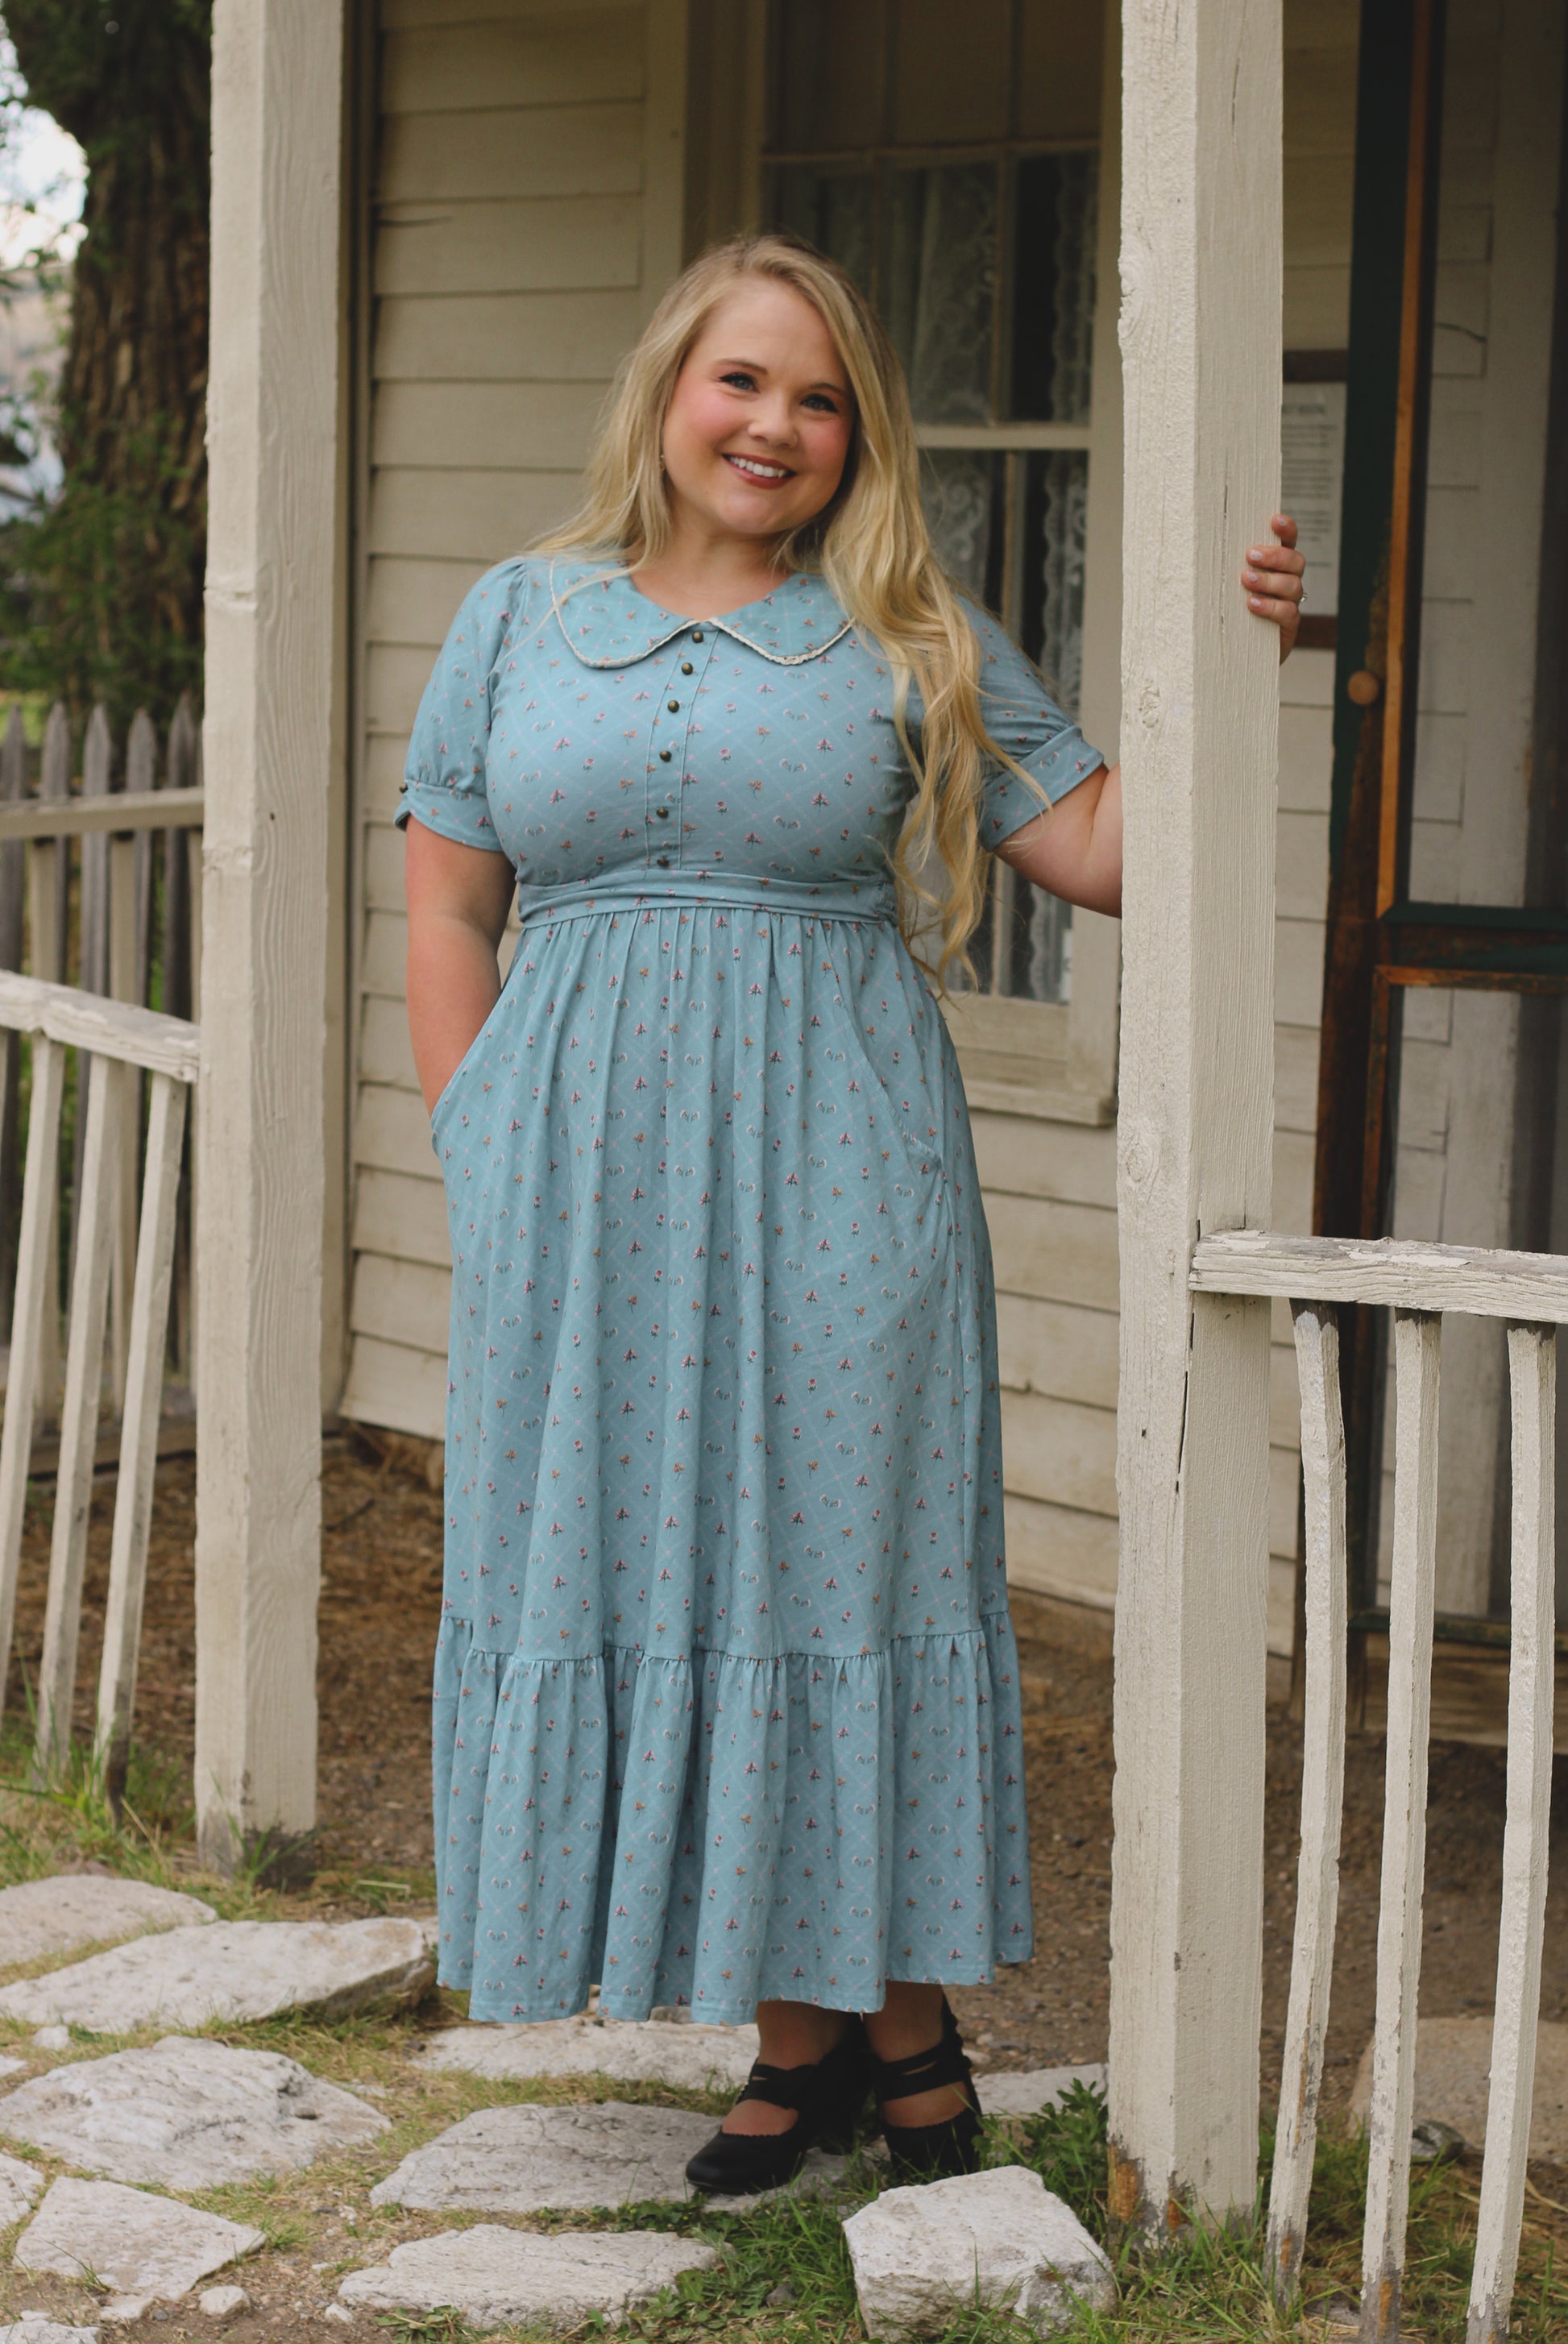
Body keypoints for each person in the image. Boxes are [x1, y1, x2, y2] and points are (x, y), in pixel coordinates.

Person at [399, 234, 1304, 2197]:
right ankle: (852, 2033)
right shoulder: (514, 614)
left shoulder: (905, 622)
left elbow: (1103, 850)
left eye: (820, 399)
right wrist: (478, 1135)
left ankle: (833, 2033)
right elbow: (448, 900)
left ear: (854, 438)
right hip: (573, 1192)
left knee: (829, 1571)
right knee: (655, 1573)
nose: (777, 425)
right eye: (742, 381)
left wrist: (1237, 655)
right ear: (666, 392)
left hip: (837, 1173)